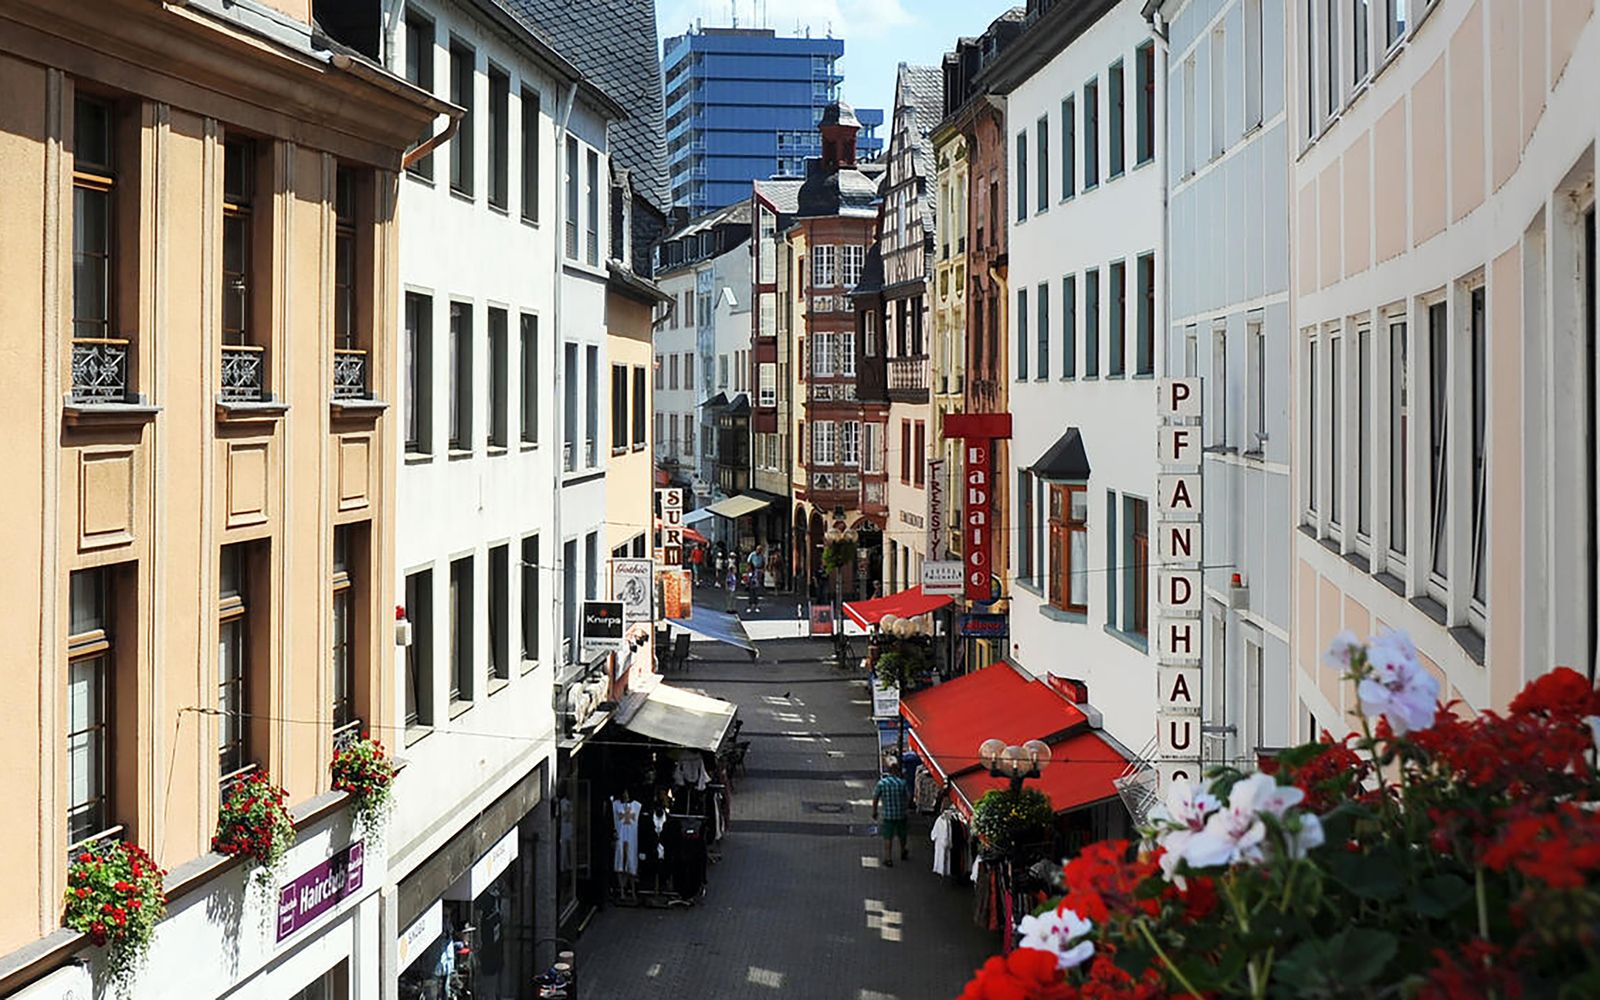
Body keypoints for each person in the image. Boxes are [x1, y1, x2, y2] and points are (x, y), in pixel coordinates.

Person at [871, 760, 911, 866]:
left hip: (888, 815)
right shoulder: (902, 783)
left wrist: (874, 811)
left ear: (888, 771)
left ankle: (888, 858)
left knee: (888, 836)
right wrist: (905, 807)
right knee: (902, 834)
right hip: (901, 814)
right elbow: (908, 797)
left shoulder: (882, 783)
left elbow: (875, 798)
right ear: (897, 771)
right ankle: (903, 851)